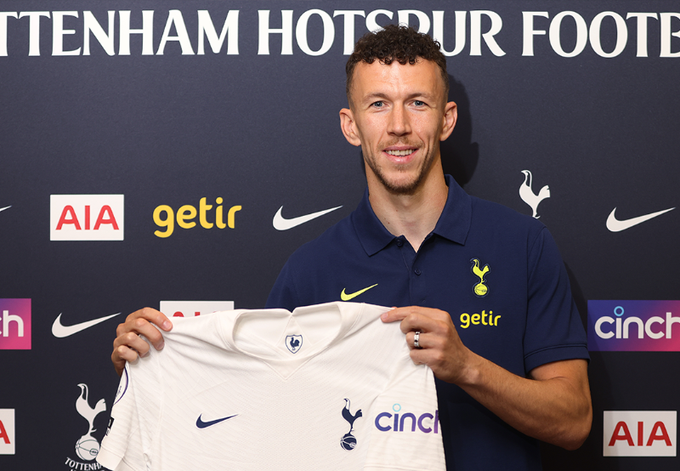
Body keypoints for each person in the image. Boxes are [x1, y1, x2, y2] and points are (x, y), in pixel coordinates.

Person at [111, 25, 591, 470]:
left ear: (446, 120)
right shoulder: (309, 271)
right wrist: (152, 365)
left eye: (417, 103)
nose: (399, 125)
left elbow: (574, 422)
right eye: (378, 104)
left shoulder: (524, 245)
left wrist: (468, 368)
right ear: (351, 125)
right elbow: (253, 420)